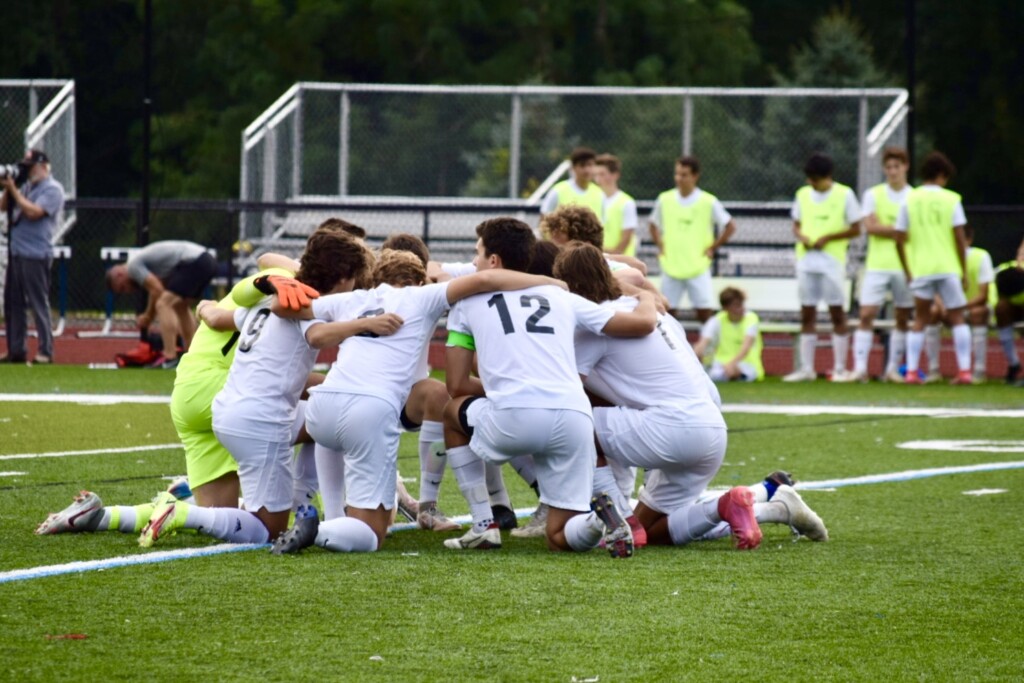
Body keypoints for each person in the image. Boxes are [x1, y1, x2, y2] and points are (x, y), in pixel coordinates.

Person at [553, 243, 827, 549]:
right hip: (711, 431)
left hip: (670, 428)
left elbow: (564, 394)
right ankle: (753, 505)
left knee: (570, 422)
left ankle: (619, 516)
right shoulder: (660, 316)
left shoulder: (597, 324)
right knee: (652, 533)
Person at [138, 230, 377, 547]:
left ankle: (116, 516)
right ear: (344, 276)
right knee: (268, 531)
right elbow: (317, 335)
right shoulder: (308, 302)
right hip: (257, 419)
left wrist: (207, 306)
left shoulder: (274, 295)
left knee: (229, 518)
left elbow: (213, 312)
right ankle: (184, 514)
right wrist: (365, 324)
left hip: (221, 407)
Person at [442, 218, 658, 556]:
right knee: (559, 536)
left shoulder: (466, 303)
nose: (473, 262)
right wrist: (645, 297)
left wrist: (507, 391)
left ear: (494, 261)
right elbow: (634, 324)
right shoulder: (561, 296)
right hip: (574, 418)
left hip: (514, 418)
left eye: (478, 254)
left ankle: (484, 524)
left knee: (450, 411)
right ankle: (599, 521)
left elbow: (455, 385)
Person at [896, 151, 973, 385]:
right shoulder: (952, 199)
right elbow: (959, 238)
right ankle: (964, 371)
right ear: (941, 174)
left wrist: (907, 268)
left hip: (922, 268)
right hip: (948, 266)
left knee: (920, 318)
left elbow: (899, 238)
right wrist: (962, 269)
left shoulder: (909, 198)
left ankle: (911, 372)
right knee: (958, 318)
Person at [783, 153, 861, 382]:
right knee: (807, 313)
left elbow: (857, 228)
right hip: (806, 261)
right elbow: (796, 225)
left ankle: (839, 368)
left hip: (832, 262)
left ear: (827, 177)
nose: (811, 183)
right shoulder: (803, 194)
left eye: (815, 179)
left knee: (837, 313)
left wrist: (829, 237)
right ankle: (806, 368)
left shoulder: (845, 194)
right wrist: (803, 237)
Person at [850, 147, 914, 383]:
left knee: (902, 315)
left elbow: (910, 233)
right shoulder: (873, 194)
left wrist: (885, 227)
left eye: (897, 166)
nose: (892, 171)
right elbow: (871, 227)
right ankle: (859, 369)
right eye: (888, 167)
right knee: (866, 313)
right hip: (876, 264)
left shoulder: (913, 196)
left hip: (904, 264)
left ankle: (892, 369)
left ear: (905, 167)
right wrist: (897, 229)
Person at [648, 156, 737, 322]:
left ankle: (705, 347)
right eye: (677, 174)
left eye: (684, 175)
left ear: (695, 176)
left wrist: (712, 247)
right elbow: (653, 224)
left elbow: (730, 225)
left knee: (704, 311)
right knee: (667, 311)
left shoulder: (708, 201)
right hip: (671, 265)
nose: (679, 178)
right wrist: (660, 245)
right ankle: (671, 347)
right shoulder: (664, 199)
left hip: (698, 265)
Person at [106, 240, 218, 368]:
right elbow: (156, 290)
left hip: (194, 262)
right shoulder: (146, 265)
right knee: (179, 306)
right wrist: (149, 316)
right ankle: (192, 354)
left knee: (164, 304)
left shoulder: (133, 267)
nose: (127, 291)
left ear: (120, 274)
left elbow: (157, 290)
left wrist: (148, 317)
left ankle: (170, 356)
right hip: (206, 261)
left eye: (122, 288)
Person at [0, 149, 65, 364]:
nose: (27, 171)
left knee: (38, 303)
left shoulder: (53, 190)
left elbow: (34, 212)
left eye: (31, 166)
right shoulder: (27, 187)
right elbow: (2, 207)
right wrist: (10, 190)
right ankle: (16, 349)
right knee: (13, 303)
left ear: (42, 165)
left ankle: (46, 350)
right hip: (17, 251)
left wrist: (15, 192)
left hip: (36, 253)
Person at [926, 224, 993, 383]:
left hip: (969, 308)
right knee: (932, 312)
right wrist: (943, 306)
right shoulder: (942, 257)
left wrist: (958, 308)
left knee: (979, 313)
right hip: (949, 309)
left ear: (969, 240)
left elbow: (983, 295)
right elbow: (934, 289)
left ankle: (978, 370)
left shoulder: (981, 257)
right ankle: (933, 369)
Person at [693, 287, 764, 382]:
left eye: (741, 304)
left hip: (748, 365)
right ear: (725, 308)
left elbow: (746, 348)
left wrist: (732, 364)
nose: (741, 308)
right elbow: (703, 342)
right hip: (721, 365)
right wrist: (697, 353)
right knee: (711, 372)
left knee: (734, 372)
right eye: (736, 305)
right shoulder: (717, 319)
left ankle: (733, 375)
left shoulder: (751, 318)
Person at [992, 237, 1024, 384]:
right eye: (1021, 252)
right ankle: (1013, 364)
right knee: (1001, 308)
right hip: (1016, 310)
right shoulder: (1005, 271)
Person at [539, 147, 604, 219]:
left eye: (590, 165)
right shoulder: (558, 190)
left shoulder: (600, 194)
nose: (587, 170)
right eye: (582, 165)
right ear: (573, 167)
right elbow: (544, 217)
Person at [593, 154, 638, 256]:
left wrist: (611, 255)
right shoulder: (592, 199)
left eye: (602, 174)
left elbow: (626, 238)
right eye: (596, 175)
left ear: (615, 175)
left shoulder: (626, 202)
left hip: (620, 261)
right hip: (596, 259)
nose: (597, 179)